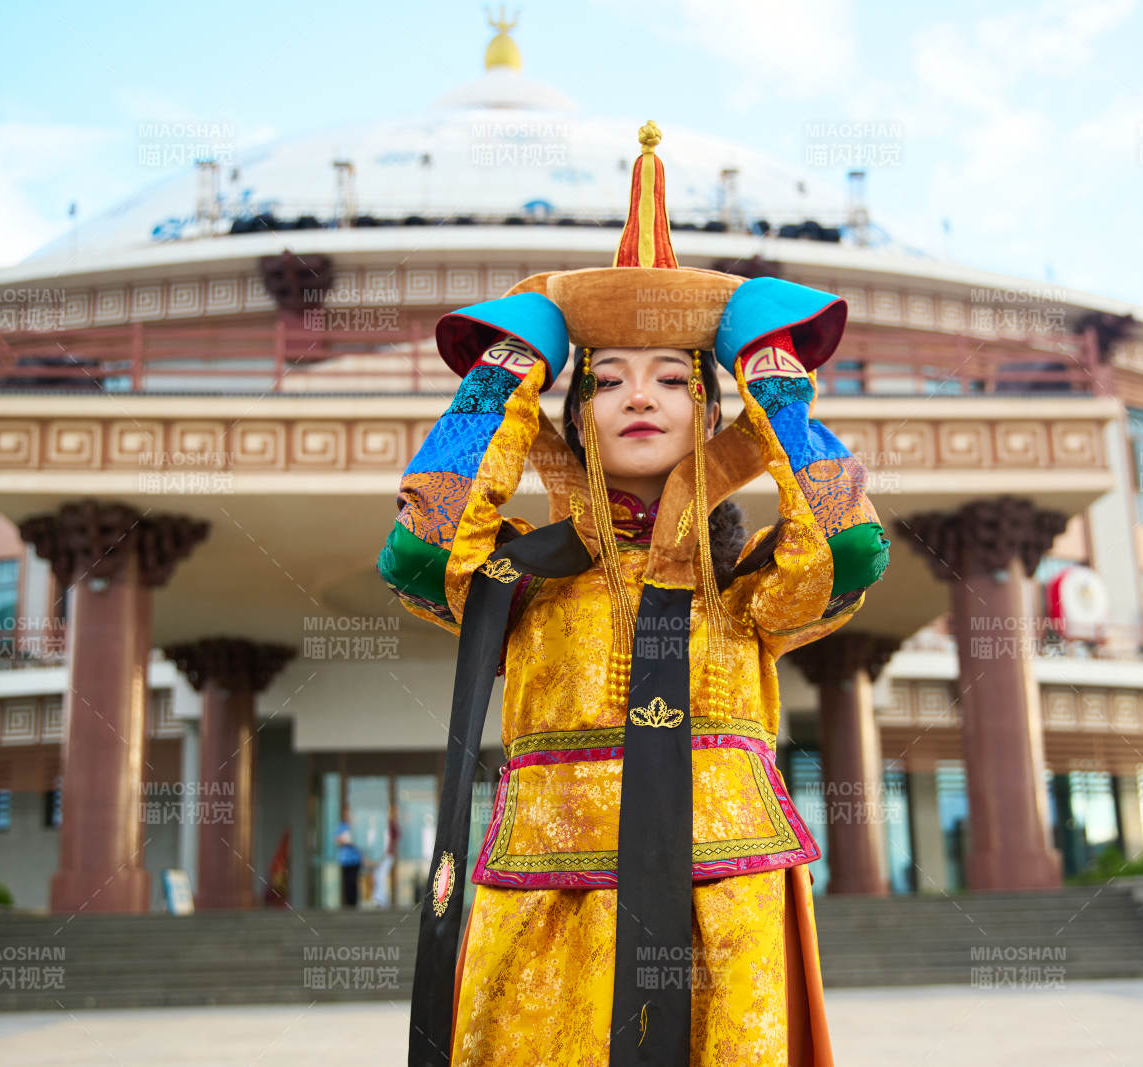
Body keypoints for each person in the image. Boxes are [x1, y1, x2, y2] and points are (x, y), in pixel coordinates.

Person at [377, 121, 890, 1065]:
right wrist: (502, 378)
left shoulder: (745, 594)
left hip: (720, 901)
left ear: (709, 407)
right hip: (545, 896)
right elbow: (417, 552)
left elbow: (851, 547)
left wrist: (774, 389)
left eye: (670, 379)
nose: (638, 397)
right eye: (606, 381)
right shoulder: (518, 581)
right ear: (570, 418)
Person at [335, 805, 362, 909]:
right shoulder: (341, 826)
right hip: (345, 860)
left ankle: (354, 904)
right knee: (347, 883)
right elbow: (338, 841)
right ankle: (349, 905)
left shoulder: (356, 827)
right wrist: (345, 840)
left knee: (354, 882)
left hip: (355, 860)